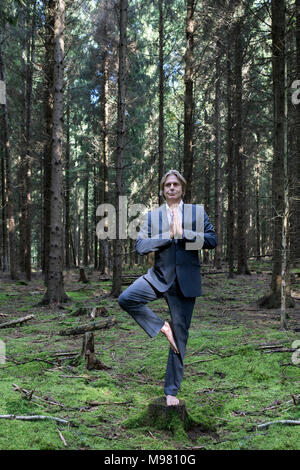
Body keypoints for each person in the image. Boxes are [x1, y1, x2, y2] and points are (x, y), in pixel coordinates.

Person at [118, 170, 217, 406]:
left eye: (175, 184)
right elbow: (140, 246)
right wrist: (167, 237)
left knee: (179, 339)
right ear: (163, 190)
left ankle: (171, 392)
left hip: (186, 283)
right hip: (158, 277)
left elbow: (212, 240)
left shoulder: (196, 212)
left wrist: (184, 235)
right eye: (167, 185)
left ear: (182, 188)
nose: (171, 188)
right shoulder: (154, 217)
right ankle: (162, 326)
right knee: (126, 298)